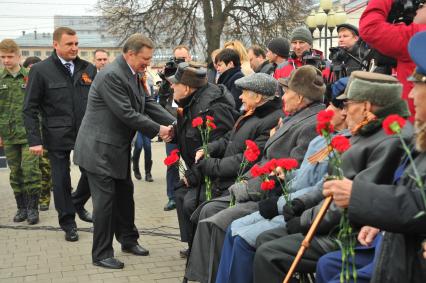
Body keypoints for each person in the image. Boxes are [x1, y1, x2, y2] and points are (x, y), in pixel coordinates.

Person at [253, 71, 413, 283]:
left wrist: (304, 220)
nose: (344, 113)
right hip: (330, 221)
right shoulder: (366, 131)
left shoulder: (388, 140)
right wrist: (302, 203)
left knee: (269, 254)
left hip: (347, 233)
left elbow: (350, 200)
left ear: (366, 106)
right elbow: (332, 182)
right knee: (264, 239)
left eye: (347, 104)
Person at [185, 65, 326, 283]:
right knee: (205, 211)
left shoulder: (310, 123)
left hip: (271, 195)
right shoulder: (290, 118)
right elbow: (254, 154)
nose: (282, 96)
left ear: (299, 97)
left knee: (217, 220)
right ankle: (203, 277)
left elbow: (290, 172)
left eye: (286, 91)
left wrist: (244, 186)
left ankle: (209, 277)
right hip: (257, 185)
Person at [215, 78, 350, 283]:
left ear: (345, 110)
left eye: (334, 105)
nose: (327, 109)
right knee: (233, 229)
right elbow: (304, 174)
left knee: (242, 237)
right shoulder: (323, 138)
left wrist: (282, 203)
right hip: (286, 200)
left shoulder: (340, 143)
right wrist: (283, 176)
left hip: (300, 211)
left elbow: (319, 187)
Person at [319, 30, 426, 283]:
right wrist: (381, 224)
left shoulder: (393, 138)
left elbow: (418, 203)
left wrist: (357, 196)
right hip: (395, 243)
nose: (410, 95)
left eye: (417, 85)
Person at [73, 33, 176, 269]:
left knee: (125, 197)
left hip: (115, 150)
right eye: (145, 59)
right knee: (105, 203)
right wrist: (160, 130)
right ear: (130, 54)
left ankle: (128, 240)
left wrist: (175, 123)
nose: (148, 64)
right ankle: (101, 254)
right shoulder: (111, 75)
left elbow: (147, 104)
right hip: (98, 150)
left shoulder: (133, 73)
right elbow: (127, 113)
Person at [178, 73, 283, 258]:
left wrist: (210, 165)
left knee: (195, 205)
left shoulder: (269, 120)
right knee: (186, 199)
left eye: (244, 92)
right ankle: (198, 253)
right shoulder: (251, 113)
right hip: (223, 177)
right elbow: (229, 139)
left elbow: (246, 159)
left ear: (258, 97)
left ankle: (204, 257)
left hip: (236, 182)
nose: (240, 97)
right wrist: (209, 148)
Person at [23, 27, 95, 242]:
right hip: (56, 135)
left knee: (94, 171)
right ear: (55, 45)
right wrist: (34, 140)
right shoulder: (41, 71)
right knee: (61, 180)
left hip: (84, 133)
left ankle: (77, 202)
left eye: (76, 44)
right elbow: (29, 108)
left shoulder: (88, 68)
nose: (74, 48)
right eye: (69, 44)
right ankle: (68, 222)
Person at [169, 62, 237, 257]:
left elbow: (219, 147)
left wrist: (193, 176)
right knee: (181, 194)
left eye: (176, 84)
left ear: (188, 88)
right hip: (200, 170)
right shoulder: (192, 100)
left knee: (191, 201)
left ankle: (202, 253)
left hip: (215, 175)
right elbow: (191, 134)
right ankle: (194, 247)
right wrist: (175, 134)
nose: (172, 86)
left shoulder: (212, 107)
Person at [359, 0, 426, 122]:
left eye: (421, 6)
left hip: (416, 130)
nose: (416, 10)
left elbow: (370, 28)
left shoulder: (417, 37)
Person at [0, 39, 41, 225]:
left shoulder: (30, 77)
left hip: (29, 134)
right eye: (2, 57)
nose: (6, 60)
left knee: (30, 170)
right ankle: (21, 208)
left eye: (9, 56)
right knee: (15, 172)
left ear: (18, 56)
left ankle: (33, 209)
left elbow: (40, 106)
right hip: (8, 135)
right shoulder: (0, 79)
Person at [22, 56, 52, 211]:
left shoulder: (44, 83)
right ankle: (28, 201)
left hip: (44, 131)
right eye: (29, 67)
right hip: (25, 133)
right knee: (29, 169)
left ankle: (44, 198)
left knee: (45, 167)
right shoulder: (22, 84)